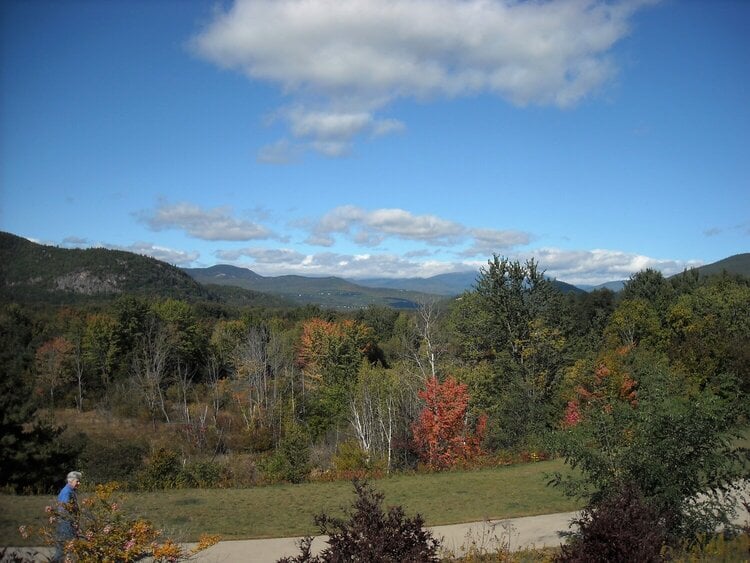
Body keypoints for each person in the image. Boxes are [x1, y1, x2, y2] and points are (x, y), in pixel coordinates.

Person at [52, 471, 81, 562]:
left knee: (66, 551)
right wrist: (73, 522)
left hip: (67, 524)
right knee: (63, 551)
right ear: (70, 481)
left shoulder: (70, 491)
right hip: (66, 525)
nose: (79, 483)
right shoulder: (67, 492)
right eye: (77, 481)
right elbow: (63, 510)